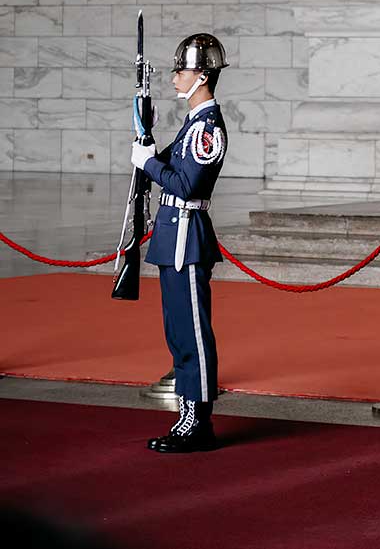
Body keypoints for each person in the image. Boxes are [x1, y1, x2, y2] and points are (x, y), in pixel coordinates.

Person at [130, 32, 229, 453]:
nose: (174, 77)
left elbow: (186, 185)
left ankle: (198, 418)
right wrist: (146, 134)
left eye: (181, 70)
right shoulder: (191, 124)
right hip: (173, 235)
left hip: (188, 234)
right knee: (176, 332)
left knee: (192, 333)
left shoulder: (208, 127)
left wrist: (148, 162)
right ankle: (187, 412)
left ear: (202, 75)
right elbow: (167, 161)